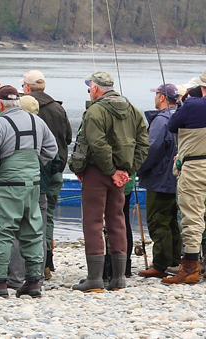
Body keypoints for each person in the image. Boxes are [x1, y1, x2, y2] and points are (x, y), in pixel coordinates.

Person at [70, 71, 149, 292]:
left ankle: (94, 279)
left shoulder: (95, 110)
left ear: (95, 88)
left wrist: (112, 171)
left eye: (90, 87)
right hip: (122, 174)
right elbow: (144, 142)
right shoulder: (132, 109)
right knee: (117, 221)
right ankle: (118, 279)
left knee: (93, 222)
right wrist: (128, 170)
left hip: (98, 172)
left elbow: (97, 144)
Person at [0, 86, 58, 298]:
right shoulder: (36, 121)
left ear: (0, 104)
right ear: (18, 102)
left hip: (7, 185)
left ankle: (0, 281)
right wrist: (34, 164)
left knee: (2, 231)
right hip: (33, 184)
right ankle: (33, 281)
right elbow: (52, 149)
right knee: (32, 230)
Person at [21, 70, 72, 280]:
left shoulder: (25, 110)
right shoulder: (58, 108)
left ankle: (29, 262)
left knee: (26, 216)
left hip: (31, 172)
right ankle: (47, 261)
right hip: (56, 170)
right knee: (47, 215)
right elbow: (68, 137)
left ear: (26, 88)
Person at [137, 84, 182, 278]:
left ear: (162, 98)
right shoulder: (181, 117)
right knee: (172, 220)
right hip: (177, 178)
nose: (154, 98)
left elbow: (151, 149)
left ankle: (161, 264)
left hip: (159, 180)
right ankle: (174, 260)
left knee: (158, 221)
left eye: (156, 95)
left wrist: (138, 169)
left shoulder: (161, 120)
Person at [164, 93, 206, 284]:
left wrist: (183, 104)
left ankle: (190, 267)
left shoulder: (193, 105)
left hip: (196, 167)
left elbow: (172, 125)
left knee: (192, 217)